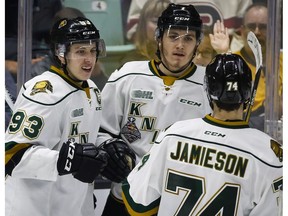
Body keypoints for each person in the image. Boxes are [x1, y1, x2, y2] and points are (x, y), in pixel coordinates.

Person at [122, 53, 283, 215]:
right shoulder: (269, 156)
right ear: (248, 93)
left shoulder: (174, 135)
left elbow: (137, 206)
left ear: (207, 89)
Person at [5, 17, 136, 216]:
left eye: (93, 51)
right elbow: (11, 155)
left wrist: (105, 145)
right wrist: (66, 160)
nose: (89, 59)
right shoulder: (43, 94)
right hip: (37, 209)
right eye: (80, 51)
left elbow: (81, 137)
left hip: (73, 205)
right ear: (61, 54)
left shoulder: (91, 89)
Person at [97, 3, 211, 215]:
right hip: (125, 196)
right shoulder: (128, 75)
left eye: (188, 38)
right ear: (159, 38)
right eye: (173, 36)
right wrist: (109, 148)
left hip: (178, 203)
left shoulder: (209, 85)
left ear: (197, 44)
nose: (180, 45)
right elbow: (100, 129)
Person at [235, 3, 283, 131]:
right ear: (242, 30)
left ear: (274, 30)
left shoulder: (284, 61)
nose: (256, 32)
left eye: (263, 27)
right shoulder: (232, 64)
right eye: (251, 26)